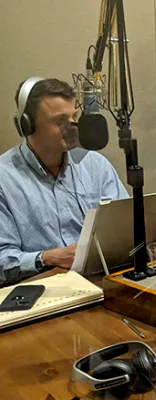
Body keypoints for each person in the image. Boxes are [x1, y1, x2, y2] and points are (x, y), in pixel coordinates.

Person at [0, 77, 127, 286]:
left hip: (100, 281)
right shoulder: (4, 178)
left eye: (74, 116)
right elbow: (2, 257)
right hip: (40, 290)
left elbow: (124, 223)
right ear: (27, 125)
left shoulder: (95, 164)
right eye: (60, 120)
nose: (74, 127)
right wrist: (47, 258)